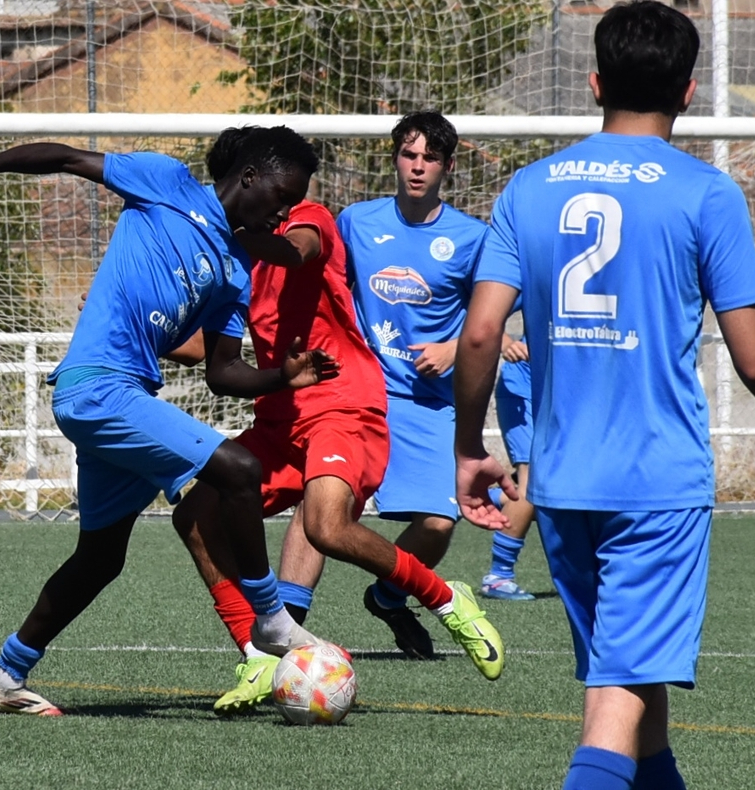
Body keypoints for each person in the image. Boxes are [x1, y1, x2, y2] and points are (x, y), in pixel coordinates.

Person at [453, 3, 755, 788]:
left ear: (595, 83)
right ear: (689, 91)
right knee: (617, 697)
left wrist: (468, 448)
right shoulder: (705, 192)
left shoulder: (530, 188)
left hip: (563, 484)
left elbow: (482, 334)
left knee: (637, 693)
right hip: (654, 484)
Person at [0, 127, 339, 716]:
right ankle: (271, 617)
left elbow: (223, 373)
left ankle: (3, 677)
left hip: (125, 395)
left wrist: (283, 375)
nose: (284, 214)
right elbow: (67, 157)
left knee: (101, 559)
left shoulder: (236, 268)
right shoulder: (165, 180)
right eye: (283, 196)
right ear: (250, 176)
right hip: (95, 387)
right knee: (239, 470)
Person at [172, 126, 508, 715]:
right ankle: (258, 655)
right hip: (281, 418)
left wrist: (240, 234)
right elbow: (208, 352)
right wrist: (134, 331)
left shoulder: (309, 218)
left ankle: (446, 599)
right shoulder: (232, 262)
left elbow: (297, 250)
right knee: (195, 514)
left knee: (327, 525)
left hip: (342, 402)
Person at [325, 109, 506, 657]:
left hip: (430, 405)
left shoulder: (472, 238)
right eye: (409, 154)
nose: (418, 166)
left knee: (438, 522)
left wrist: (455, 348)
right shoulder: (356, 222)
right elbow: (329, 290)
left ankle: (386, 596)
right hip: (363, 394)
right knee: (323, 512)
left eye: (430, 157)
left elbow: (495, 310)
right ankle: (285, 625)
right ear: (395, 159)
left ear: (448, 167)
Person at [481, 323, 537, 601]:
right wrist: (505, 342)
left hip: (565, 396)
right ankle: (499, 576)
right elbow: (483, 310)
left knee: (561, 495)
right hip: (523, 391)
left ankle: (484, 501)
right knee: (533, 485)